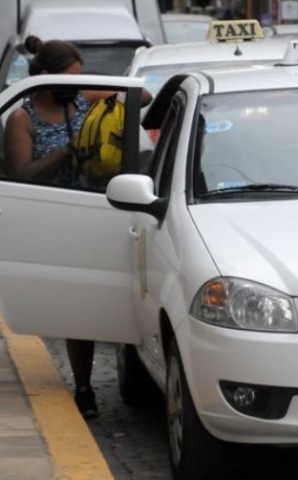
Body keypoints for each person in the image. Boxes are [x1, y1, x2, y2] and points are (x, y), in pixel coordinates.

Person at [3, 35, 151, 418]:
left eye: (79, 79)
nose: (76, 85)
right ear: (45, 77)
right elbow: (22, 172)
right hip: (53, 214)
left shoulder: (81, 99)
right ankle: (84, 386)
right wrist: (68, 151)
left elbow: (144, 98)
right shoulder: (23, 117)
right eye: (69, 79)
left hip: (100, 205)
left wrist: (102, 92)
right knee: (78, 308)